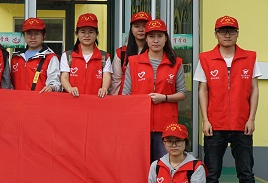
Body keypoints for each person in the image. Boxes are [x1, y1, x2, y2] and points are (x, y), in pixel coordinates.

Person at [194, 15, 265, 183]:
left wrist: (251, 118)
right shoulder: (205, 58)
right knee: (212, 174)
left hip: (242, 125)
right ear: (215, 34)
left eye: (231, 30)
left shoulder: (249, 57)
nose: (227, 34)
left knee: (246, 173)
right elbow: (203, 91)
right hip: (215, 124)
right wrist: (205, 120)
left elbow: (254, 89)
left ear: (237, 33)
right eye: (222, 30)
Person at [122, 19, 186, 162]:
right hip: (139, 124)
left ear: (166, 38)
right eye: (151, 36)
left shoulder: (176, 63)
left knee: (163, 164)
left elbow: (182, 93)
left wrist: (164, 97)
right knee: (138, 165)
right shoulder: (134, 62)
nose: (156, 40)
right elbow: (126, 94)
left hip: (166, 124)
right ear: (146, 39)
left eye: (160, 36)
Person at [60, 13, 112, 98]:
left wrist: (104, 88)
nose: (87, 35)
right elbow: (64, 77)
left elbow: (107, 77)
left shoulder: (104, 57)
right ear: (76, 34)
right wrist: (70, 89)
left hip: (96, 101)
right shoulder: (67, 55)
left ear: (96, 34)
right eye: (83, 32)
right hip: (72, 101)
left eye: (91, 32)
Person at [10, 17, 61, 93]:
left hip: (40, 99)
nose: (33, 37)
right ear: (24, 35)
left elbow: (55, 81)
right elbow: (9, 83)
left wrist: (52, 87)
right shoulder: (16, 57)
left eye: (37, 34)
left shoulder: (50, 57)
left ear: (44, 35)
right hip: (18, 99)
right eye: (29, 34)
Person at [109, 10, 151, 95]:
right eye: (136, 26)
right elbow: (115, 82)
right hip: (125, 99)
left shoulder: (156, 53)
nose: (141, 30)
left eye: (144, 26)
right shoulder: (122, 53)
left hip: (147, 98)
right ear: (131, 29)